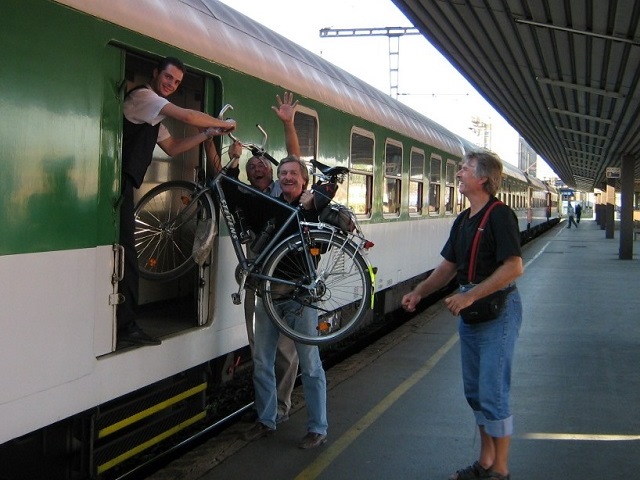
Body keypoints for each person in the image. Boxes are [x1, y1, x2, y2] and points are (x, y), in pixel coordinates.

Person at [401, 150, 523, 480]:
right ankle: (485, 461)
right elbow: (448, 267)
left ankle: (500, 470)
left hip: (499, 311)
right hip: (474, 314)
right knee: (475, 392)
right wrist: (420, 292)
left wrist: (470, 295)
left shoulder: (500, 216)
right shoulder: (463, 220)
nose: (458, 172)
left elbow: (514, 267)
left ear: (482, 179)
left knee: (493, 391)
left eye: (465, 169)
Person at [118, 56, 236, 349]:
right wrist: (223, 123)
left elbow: (172, 148)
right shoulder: (144, 97)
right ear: (156, 73)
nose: (171, 85)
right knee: (128, 255)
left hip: (125, 183)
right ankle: (125, 325)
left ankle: (126, 322)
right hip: (119, 181)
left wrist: (207, 134)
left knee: (128, 251)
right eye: (168, 78)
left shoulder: (152, 112)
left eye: (177, 82)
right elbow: (185, 115)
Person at [205, 92, 301, 423]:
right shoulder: (243, 196)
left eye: (262, 159)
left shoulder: (281, 193)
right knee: (260, 355)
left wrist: (288, 123)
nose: (257, 162)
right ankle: (267, 415)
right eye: (251, 161)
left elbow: (294, 157)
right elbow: (218, 175)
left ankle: (283, 407)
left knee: (286, 354)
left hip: (285, 284)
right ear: (247, 171)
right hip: (257, 285)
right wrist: (213, 141)